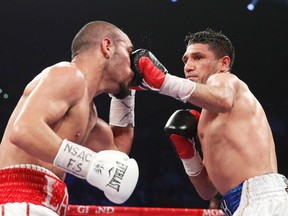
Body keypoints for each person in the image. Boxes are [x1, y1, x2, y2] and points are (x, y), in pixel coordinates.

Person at [130, 28, 288, 215]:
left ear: (224, 63)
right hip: (241, 204)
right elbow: (207, 190)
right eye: (186, 59)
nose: (188, 66)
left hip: (263, 200)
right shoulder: (208, 116)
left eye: (198, 57)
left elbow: (223, 98)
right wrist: (188, 152)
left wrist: (164, 82)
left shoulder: (226, 80)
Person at [0, 21, 139, 216]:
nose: (133, 64)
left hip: (47, 205)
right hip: (19, 199)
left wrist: (128, 94)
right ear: (107, 47)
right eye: (129, 52)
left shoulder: (89, 114)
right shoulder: (68, 73)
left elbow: (118, 159)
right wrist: (90, 165)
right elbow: (23, 130)